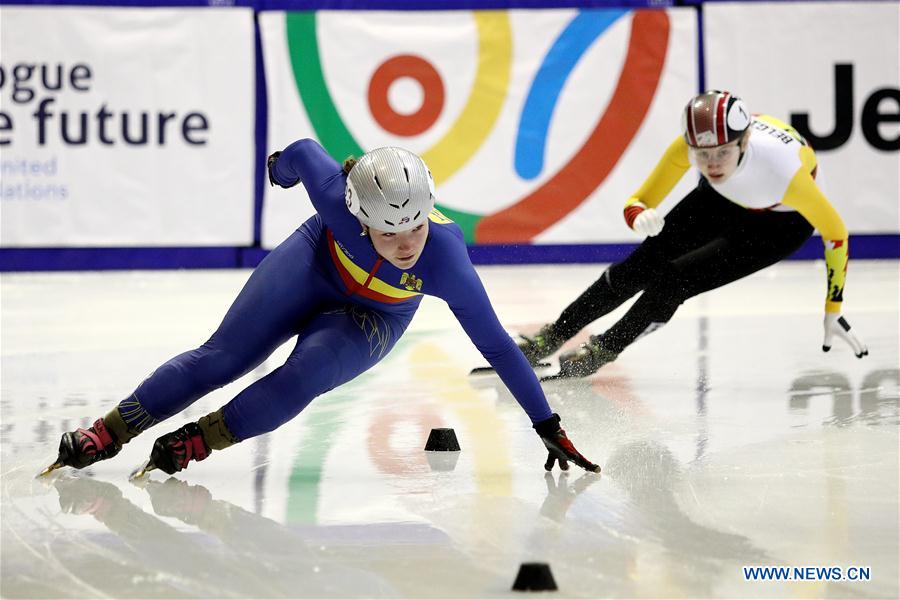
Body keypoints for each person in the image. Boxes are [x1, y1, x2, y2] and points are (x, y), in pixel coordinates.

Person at [43, 140, 600, 477]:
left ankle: (198, 440)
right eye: (388, 231)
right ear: (358, 216)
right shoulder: (336, 201)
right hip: (314, 263)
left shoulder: (447, 260)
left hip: (376, 315)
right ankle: (109, 431)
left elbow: (497, 345)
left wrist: (546, 424)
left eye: (415, 225)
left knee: (305, 375)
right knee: (222, 358)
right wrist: (280, 168)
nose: (407, 243)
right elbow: (303, 153)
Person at [518, 90, 868, 378]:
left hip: (780, 225)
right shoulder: (692, 149)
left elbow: (836, 233)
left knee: (674, 281)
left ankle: (604, 349)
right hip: (724, 197)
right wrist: (638, 217)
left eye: (722, 153)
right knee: (638, 266)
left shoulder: (784, 174)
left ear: (745, 141)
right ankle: (553, 336)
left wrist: (833, 307)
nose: (712, 164)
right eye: (703, 155)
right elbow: (638, 201)